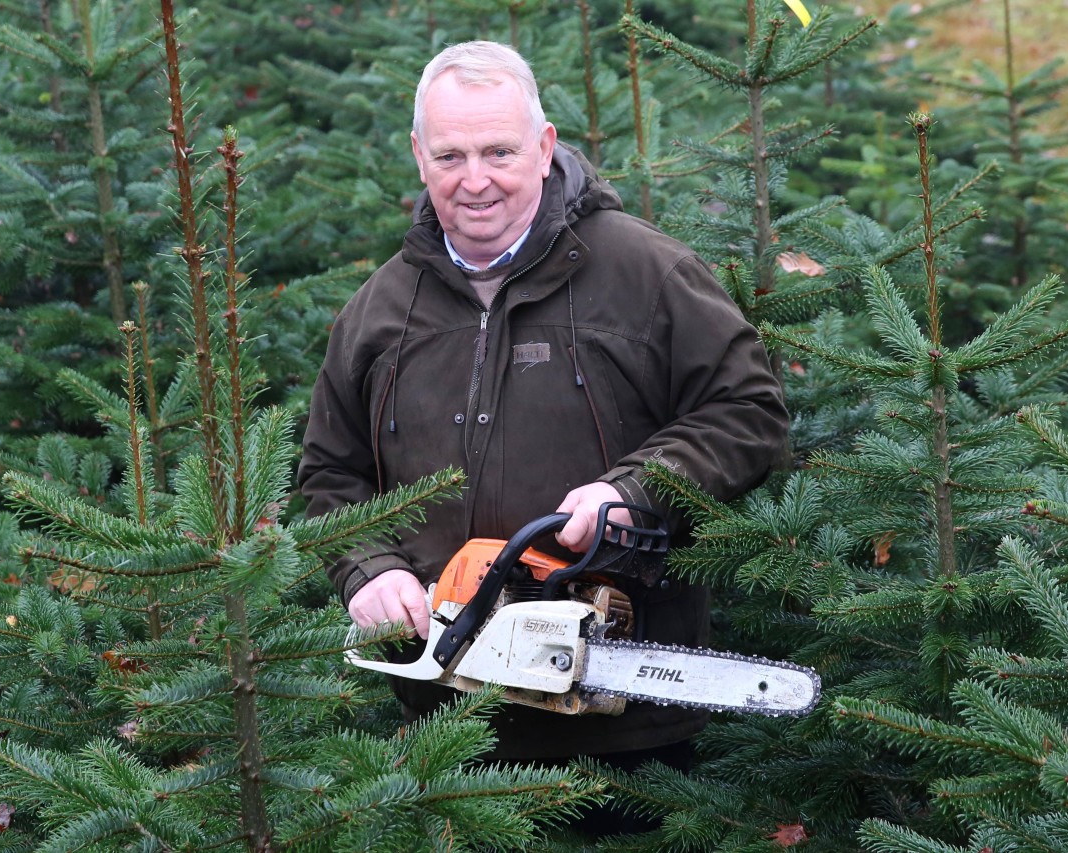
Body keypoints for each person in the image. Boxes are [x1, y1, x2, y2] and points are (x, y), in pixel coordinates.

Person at [298, 40, 788, 776]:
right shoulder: (380, 311)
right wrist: (368, 571)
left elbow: (749, 412)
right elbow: (330, 477)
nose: (475, 181)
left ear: (544, 144)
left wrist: (632, 492)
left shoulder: (644, 272)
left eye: (498, 152)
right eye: (450, 156)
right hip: (447, 733)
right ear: (417, 155)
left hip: (628, 737)